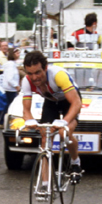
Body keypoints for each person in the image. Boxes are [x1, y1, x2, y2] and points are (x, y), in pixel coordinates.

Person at [21, 50, 83, 179]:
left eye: (38, 72)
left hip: (70, 101)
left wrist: (64, 122)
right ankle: (44, 183)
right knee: (45, 137)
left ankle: (75, 161)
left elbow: (76, 103)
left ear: (45, 68)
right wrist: (29, 121)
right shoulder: (27, 81)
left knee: (64, 133)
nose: (34, 78)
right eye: (30, 73)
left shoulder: (58, 75)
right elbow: (26, 110)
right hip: (51, 102)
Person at [0, 48, 21, 127]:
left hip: (11, 88)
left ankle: (2, 121)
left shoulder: (12, 64)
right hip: (10, 88)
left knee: (8, 105)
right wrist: (16, 85)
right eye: (17, 53)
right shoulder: (10, 65)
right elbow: (9, 78)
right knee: (10, 105)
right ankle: (2, 122)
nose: (19, 55)